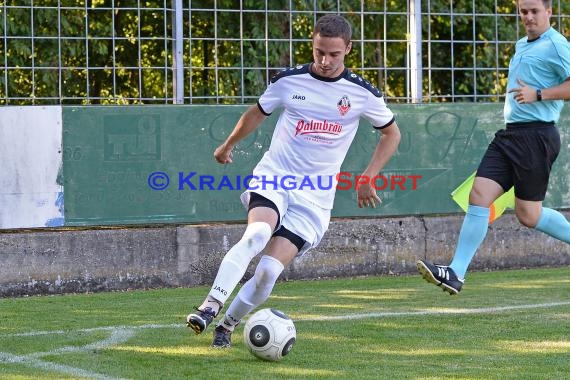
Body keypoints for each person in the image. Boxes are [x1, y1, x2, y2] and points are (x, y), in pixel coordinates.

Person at [186, 14, 401, 347]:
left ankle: (227, 325)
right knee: (257, 233)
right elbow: (258, 111)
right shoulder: (288, 81)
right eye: (319, 53)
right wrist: (228, 144)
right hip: (276, 178)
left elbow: (391, 133)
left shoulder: (362, 93)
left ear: (348, 49)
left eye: (334, 54)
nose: (326, 61)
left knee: (269, 271)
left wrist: (368, 177)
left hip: (315, 197)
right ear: (312, 45)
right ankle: (210, 305)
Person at [417, 0, 570, 295]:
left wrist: (539, 94)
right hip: (510, 136)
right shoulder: (522, 44)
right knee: (479, 195)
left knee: (529, 216)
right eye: (523, 11)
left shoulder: (557, 44)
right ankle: (455, 272)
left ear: (549, 12)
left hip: (537, 137)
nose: (527, 17)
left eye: (534, 11)